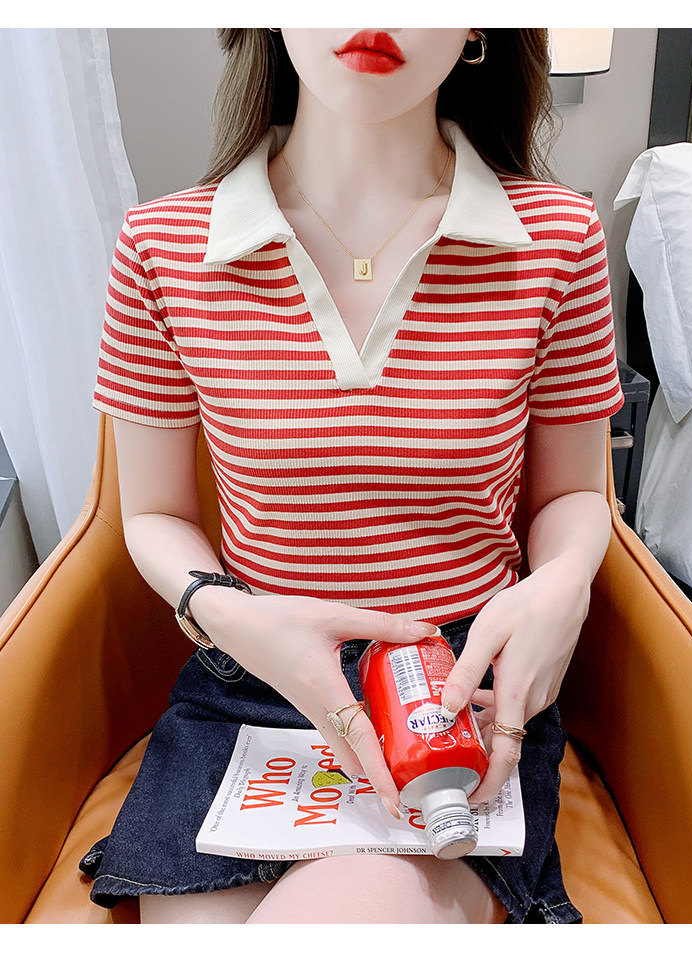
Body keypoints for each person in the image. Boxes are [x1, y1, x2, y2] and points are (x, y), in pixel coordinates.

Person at [79, 27, 624, 924]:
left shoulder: (556, 237)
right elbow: (153, 514)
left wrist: (564, 579)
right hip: (253, 673)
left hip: (456, 689)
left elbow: (572, 492)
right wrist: (228, 613)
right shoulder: (162, 245)